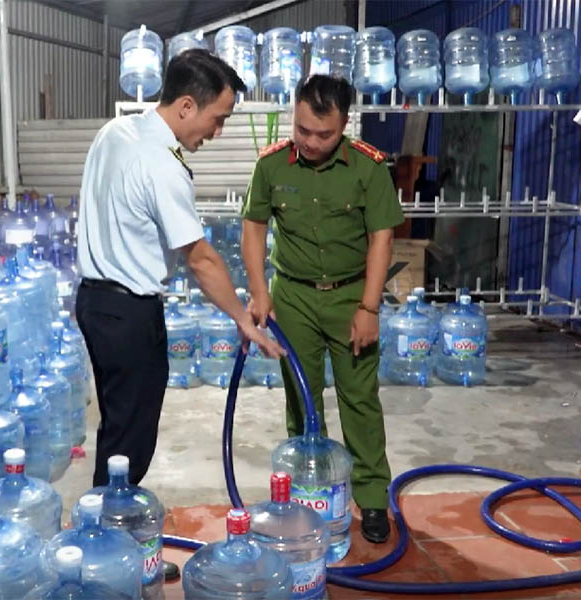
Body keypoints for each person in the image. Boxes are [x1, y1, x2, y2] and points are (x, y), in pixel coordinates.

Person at [76, 49, 284, 490]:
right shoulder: (162, 163)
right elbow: (200, 258)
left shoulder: (115, 132)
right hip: (130, 313)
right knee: (131, 442)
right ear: (187, 105)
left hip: (94, 304)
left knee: (117, 426)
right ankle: (112, 527)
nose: (217, 132)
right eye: (217, 119)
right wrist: (243, 319)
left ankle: (107, 517)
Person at [241, 74, 403, 544]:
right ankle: (308, 494)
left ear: (344, 124)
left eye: (323, 134)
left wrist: (369, 307)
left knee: (359, 399)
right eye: (302, 130)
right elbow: (254, 228)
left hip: (351, 297)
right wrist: (259, 291)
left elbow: (382, 238)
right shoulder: (271, 165)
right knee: (302, 399)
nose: (310, 142)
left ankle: (371, 498)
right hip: (292, 297)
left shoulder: (368, 168)